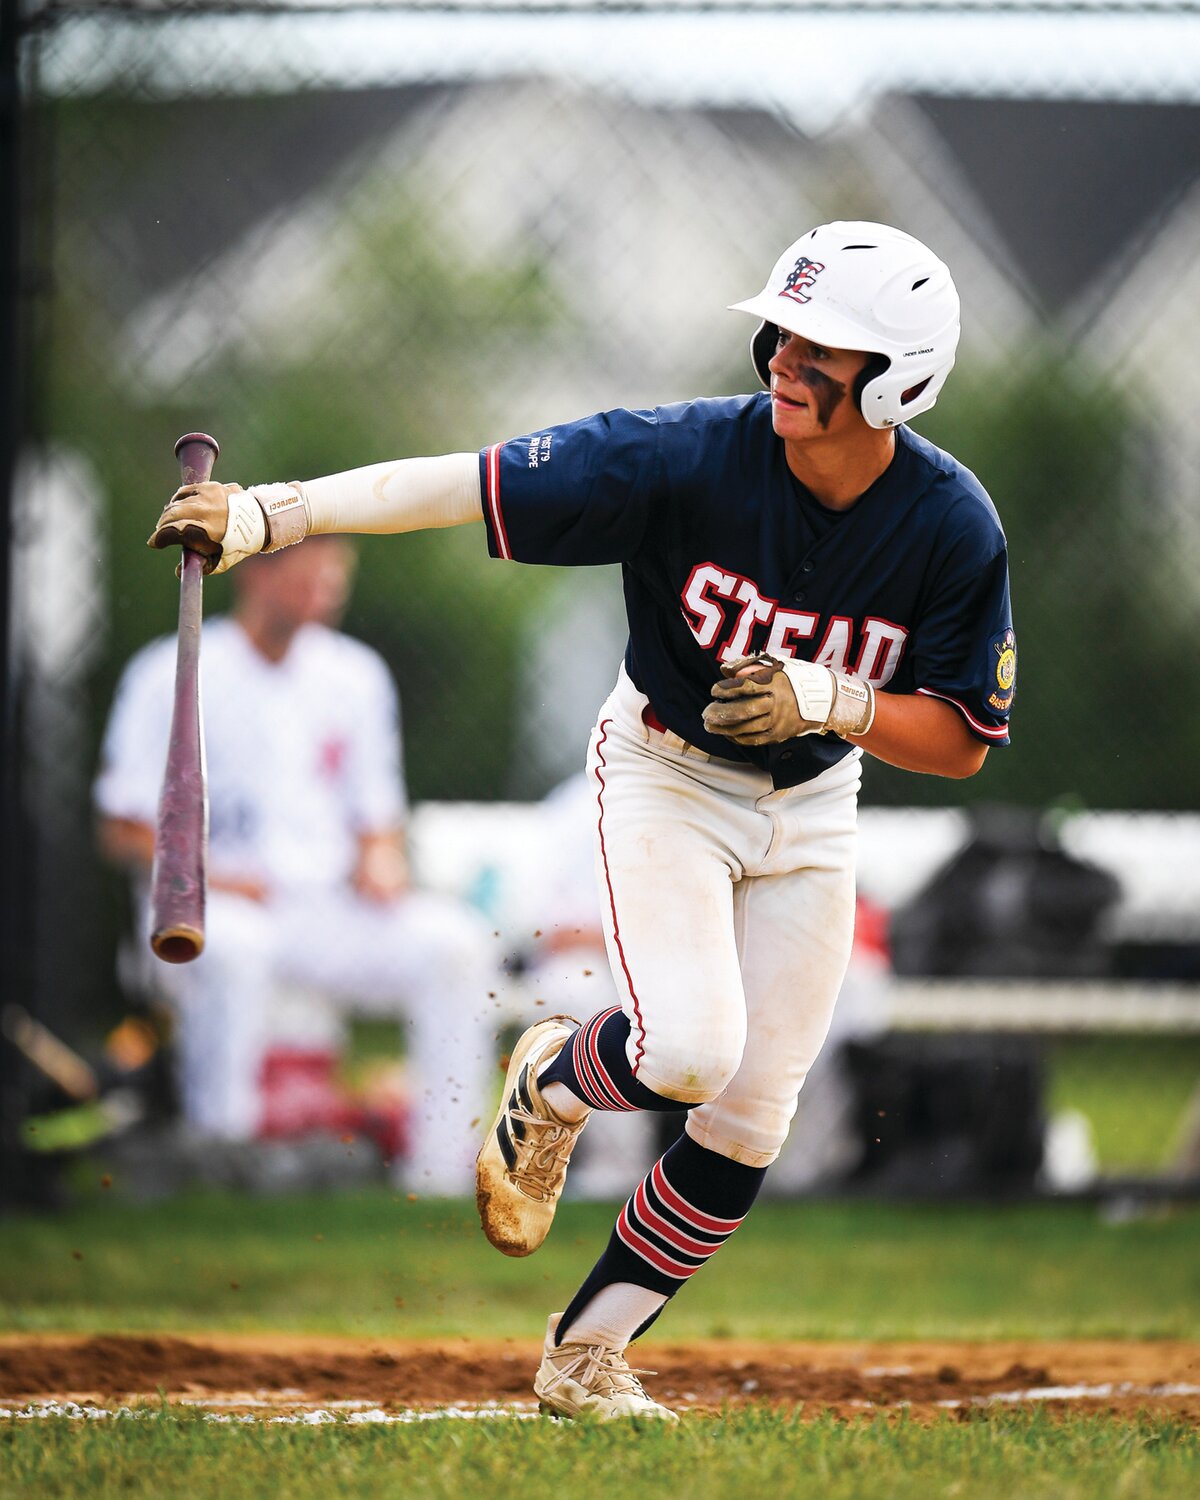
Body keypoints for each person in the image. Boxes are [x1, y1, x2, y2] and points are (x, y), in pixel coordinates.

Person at [147, 221, 1016, 1419]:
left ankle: (587, 1355)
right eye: (788, 331)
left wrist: (834, 698)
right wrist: (272, 515)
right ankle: (554, 1077)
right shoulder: (688, 455)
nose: (788, 359)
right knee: (689, 1051)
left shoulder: (952, 523)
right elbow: (470, 481)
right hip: (667, 772)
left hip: (815, 803)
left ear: (903, 378)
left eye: (830, 348)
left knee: (753, 1111)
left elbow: (964, 737)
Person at [95, 534, 498, 1196]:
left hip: (323, 908)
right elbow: (123, 827)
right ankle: (222, 1161)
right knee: (239, 950)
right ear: (256, 571)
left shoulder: (355, 675)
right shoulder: (175, 668)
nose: (329, 587)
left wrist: (381, 862)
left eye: (337, 572)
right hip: (209, 904)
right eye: (312, 571)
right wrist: (216, 875)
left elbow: (377, 821)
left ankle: (441, 1177)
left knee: (454, 946)